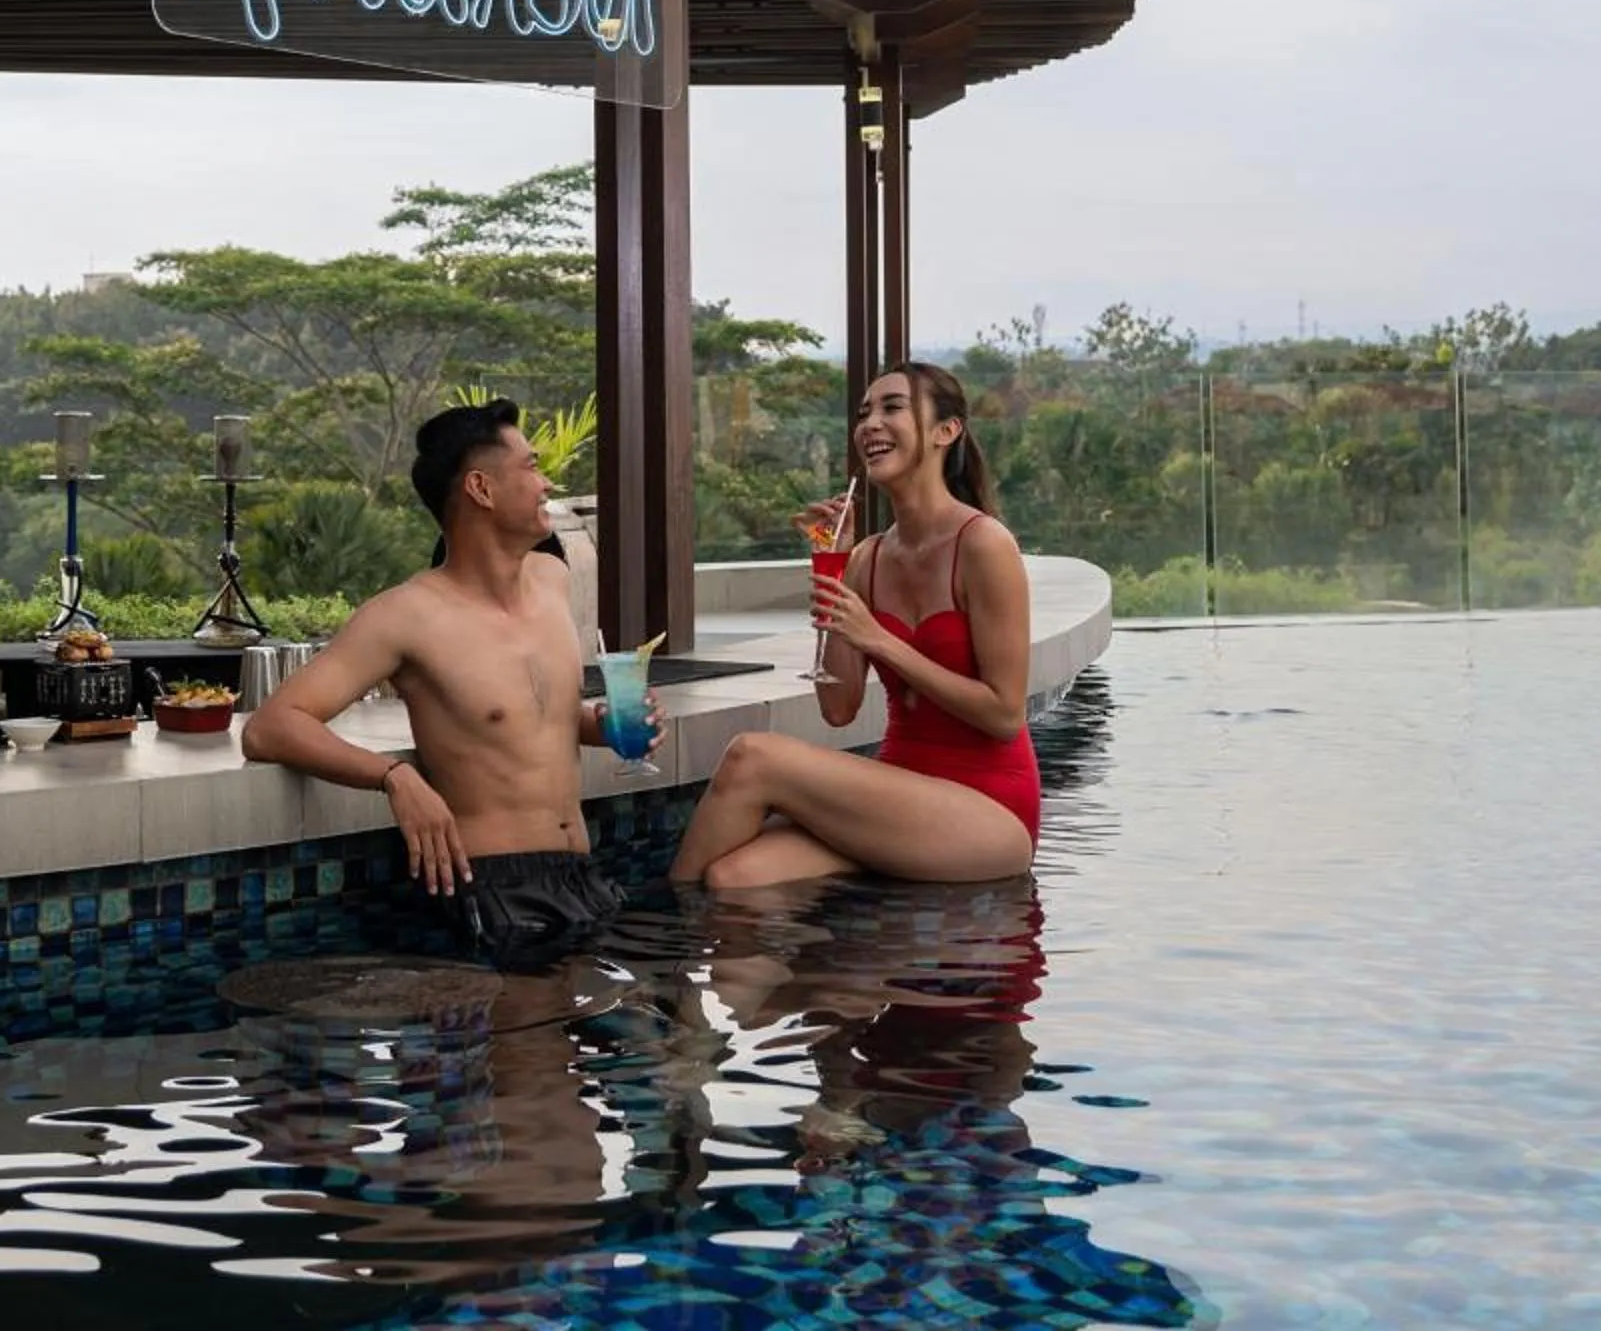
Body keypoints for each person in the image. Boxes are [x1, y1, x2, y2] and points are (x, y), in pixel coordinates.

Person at [242, 398, 663, 970]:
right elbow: (270, 727)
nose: (546, 484)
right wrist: (394, 777)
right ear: (481, 489)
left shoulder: (552, 579)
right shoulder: (405, 616)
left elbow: (533, 718)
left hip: (581, 876)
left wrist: (604, 725)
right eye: (531, 467)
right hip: (495, 889)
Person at [670, 363, 1037, 888]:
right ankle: (707, 924)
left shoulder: (983, 544)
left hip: (989, 808)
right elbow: (838, 708)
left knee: (753, 756)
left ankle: (661, 935)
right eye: (864, 413)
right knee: (736, 877)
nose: (870, 424)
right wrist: (832, 567)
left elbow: (1004, 714)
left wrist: (881, 641)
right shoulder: (868, 557)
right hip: (896, 793)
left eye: (892, 407)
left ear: (946, 431)